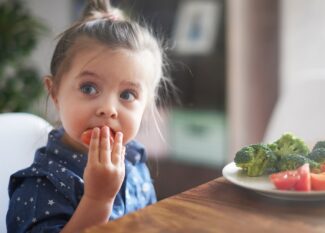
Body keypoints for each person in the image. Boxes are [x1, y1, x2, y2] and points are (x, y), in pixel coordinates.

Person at [6, 0, 173, 232]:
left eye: (127, 94)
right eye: (88, 88)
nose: (108, 109)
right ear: (54, 93)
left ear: (145, 106)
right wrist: (98, 199)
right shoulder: (40, 185)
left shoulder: (133, 159)